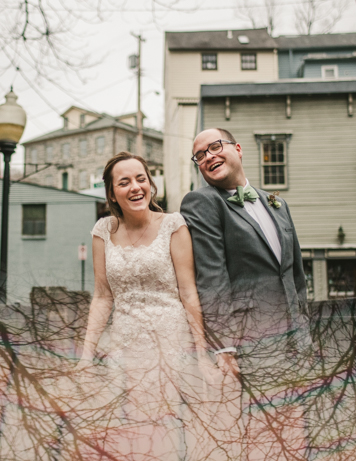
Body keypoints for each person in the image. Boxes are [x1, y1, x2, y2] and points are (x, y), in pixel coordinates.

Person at [76, 151, 225, 460]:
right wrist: (86, 357)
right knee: (127, 433)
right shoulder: (102, 231)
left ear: (151, 185)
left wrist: (202, 355)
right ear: (112, 193)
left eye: (141, 179)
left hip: (171, 346)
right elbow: (103, 296)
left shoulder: (173, 225)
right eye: (125, 182)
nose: (135, 187)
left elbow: (189, 293)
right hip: (124, 349)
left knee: (170, 430)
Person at [180, 128, 310, 459]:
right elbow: (212, 277)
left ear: (237, 149)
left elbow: (295, 275)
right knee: (259, 440)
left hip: (295, 345)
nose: (208, 156)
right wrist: (223, 346)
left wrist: (304, 331)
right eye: (200, 155)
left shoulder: (276, 202)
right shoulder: (202, 203)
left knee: (295, 434)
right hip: (250, 346)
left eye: (214, 147)